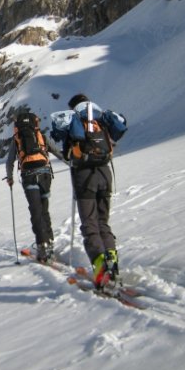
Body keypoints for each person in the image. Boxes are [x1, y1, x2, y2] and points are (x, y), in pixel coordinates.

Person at [57, 93, 127, 289]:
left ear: (73, 107)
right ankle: (111, 261)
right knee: (103, 221)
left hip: (85, 177)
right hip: (105, 174)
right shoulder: (101, 118)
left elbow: (66, 151)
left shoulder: (74, 120)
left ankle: (100, 267)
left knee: (89, 224)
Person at [5, 109, 64, 263]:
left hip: (29, 176)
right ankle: (49, 242)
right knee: (44, 209)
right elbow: (57, 151)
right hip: (45, 174)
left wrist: (10, 178)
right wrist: (71, 163)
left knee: (35, 211)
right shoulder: (41, 136)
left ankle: (42, 245)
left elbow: (10, 160)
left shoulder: (17, 139)